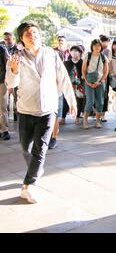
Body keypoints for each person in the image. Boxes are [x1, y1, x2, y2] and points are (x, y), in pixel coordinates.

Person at [6, 21, 77, 204]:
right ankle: (35, 170)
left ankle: (29, 185)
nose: (33, 36)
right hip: (26, 108)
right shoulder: (16, 57)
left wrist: (71, 100)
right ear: (22, 39)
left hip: (48, 108)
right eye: (28, 34)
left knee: (40, 148)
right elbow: (10, 84)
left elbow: (63, 77)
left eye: (35, 32)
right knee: (25, 147)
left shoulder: (51, 54)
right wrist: (13, 70)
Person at [82, 39, 109, 129]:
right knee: (90, 101)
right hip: (89, 82)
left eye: (98, 45)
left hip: (100, 82)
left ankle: (97, 121)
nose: (97, 47)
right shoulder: (88, 56)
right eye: (95, 45)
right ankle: (85, 121)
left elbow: (106, 72)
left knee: (100, 103)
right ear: (92, 46)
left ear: (101, 47)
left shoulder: (103, 57)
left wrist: (99, 81)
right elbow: (83, 71)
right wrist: (87, 82)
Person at [61, 45, 85, 125]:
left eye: (76, 51)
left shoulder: (83, 62)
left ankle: (77, 117)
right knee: (66, 100)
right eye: (72, 51)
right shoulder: (66, 63)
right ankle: (63, 118)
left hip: (80, 85)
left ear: (80, 53)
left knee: (79, 101)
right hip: (68, 85)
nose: (74, 53)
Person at [99, 35, 111, 122]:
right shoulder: (96, 49)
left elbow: (109, 62)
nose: (104, 43)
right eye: (103, 41)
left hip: (105, 76)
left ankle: (103, 114)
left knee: (105, 95)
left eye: (106, 42)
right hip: (97, 76)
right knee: (97, 95)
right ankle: (98, 113)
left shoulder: (108, 51)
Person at [0, 43, 10, 141]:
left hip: (1, 81)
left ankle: (4, 130)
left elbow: (8, 65)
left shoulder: (2, 49)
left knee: (2, 106)